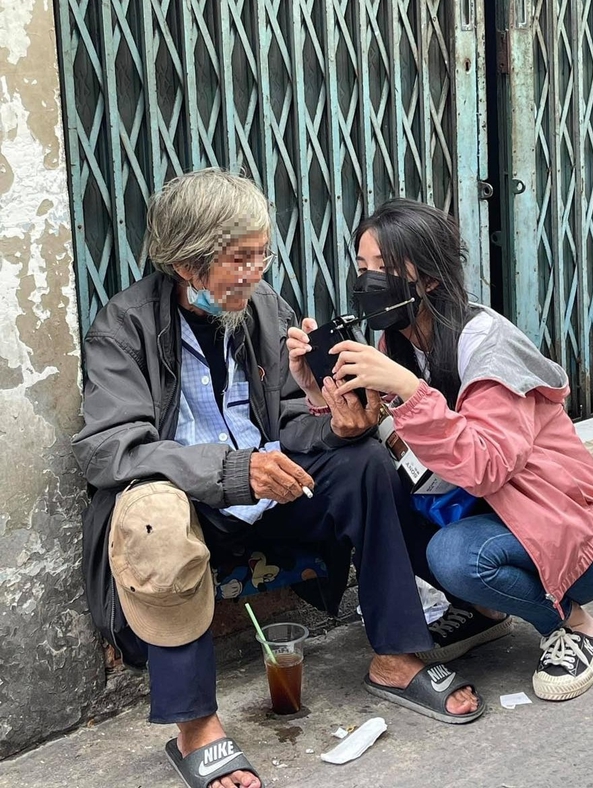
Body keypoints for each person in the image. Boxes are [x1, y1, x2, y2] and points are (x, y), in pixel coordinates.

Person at [72, 173, 485, 788]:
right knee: (151, 514)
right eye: (240, 258)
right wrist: (234, 472)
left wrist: (336, 425)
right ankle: (197, 726)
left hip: (273, 492)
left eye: (262, 253)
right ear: (189, 261)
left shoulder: (264, 309)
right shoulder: (123, 327)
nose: (256, 272)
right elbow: (109, 449)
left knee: (364, 461)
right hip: (195, 503)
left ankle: (396, 654)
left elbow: (293, 419)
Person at [290, 197, 593, 704]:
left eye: (385, 268)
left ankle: (572, 624)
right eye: (362, 268)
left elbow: (487, 465)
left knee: (453, 555)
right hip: (490, 517)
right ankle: (483, 611)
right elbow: (404, 452)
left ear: (429, 278)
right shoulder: (398, 345)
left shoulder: (487, 345)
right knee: (377, 487)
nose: (368, 282)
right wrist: (325, 397)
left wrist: (409, 389)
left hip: (573, 532)